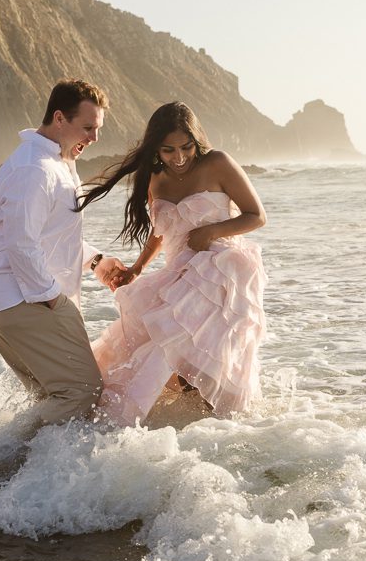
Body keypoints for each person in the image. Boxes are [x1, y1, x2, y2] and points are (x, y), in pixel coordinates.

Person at [77, 101, 268, 426]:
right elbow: (161, 231)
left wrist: (211, 231)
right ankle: (122, 425)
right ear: (156, 149)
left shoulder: (217, 163)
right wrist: (136, 268)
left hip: (221, 271)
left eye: (186, 147)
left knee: (176, 346)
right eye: (168, 150)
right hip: (179, 274)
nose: (179, 157)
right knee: (167, 350)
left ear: (196, 141)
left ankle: (122, 427)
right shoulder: (154, 179)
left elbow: (257, 216)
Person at [0, 79, 127, 427]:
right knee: (81, 391)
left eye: (97, 128)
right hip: (24, 299)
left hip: (7, 299)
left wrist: (96, 261)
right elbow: (20, 242)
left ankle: (18, 473)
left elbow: (48, 236)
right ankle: (0, 460)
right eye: (88, 128)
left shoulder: (54, 161)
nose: (94, 138)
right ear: (60, 118)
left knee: (53, 395)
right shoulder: (34, 168)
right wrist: (50, 299)